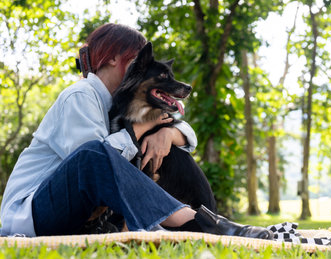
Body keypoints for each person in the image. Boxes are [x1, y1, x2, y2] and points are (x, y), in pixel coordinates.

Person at [0, 23, 273, 240]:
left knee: (161, 150)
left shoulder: (118, 104)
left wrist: (165, 133)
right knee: (95, 154)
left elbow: (185, 132)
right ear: (110, 58)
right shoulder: (80, 95)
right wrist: (144, 127)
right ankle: (189, 220)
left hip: (77, 216)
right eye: (134, 60)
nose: (139, 69)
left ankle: (199, 218)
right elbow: (94, 165)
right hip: (31, 215)